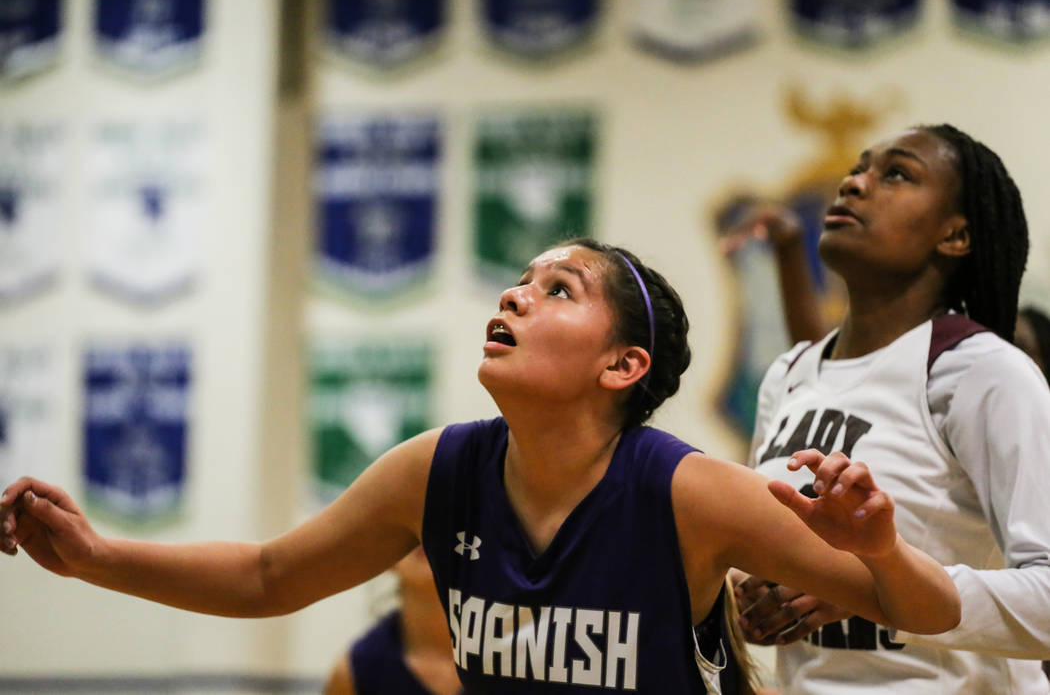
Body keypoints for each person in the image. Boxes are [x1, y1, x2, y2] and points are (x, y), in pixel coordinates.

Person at [0, 238, 961, 694]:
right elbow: (267, 577)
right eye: (520, 280)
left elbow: (922, 613)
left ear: (621, 367)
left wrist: (876, 541)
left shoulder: (687, 490)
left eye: (558, 290)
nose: (516, 293)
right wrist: (96, 558)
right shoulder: (438, 469)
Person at [727, 124, 1050, 694]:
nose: (854, 183)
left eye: (896, 173)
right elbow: (783, 576)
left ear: (955, 235)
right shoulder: (790, 373)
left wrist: (872, 583)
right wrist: (750, 600)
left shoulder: (981, 371)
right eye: (859, 168)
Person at [323, 547, 462, 695]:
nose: (423, 535)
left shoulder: (489, 653)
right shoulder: (353, 673)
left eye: (444, 525)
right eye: (412, 525)